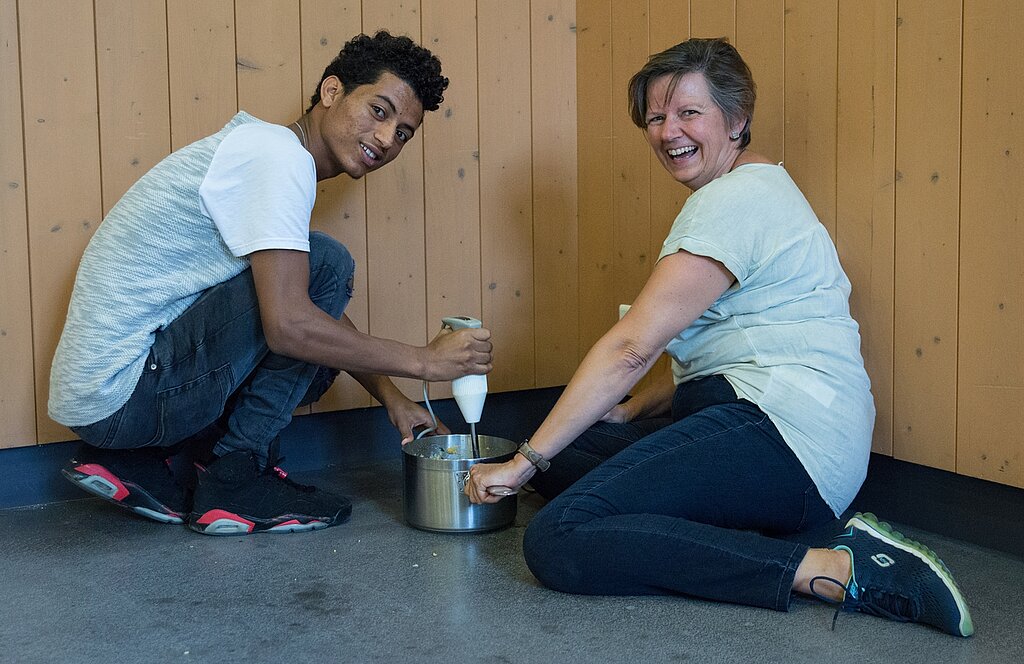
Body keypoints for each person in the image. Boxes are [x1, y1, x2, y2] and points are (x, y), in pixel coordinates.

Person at [465, 38, 973, 637]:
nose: (667, 131)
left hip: (786, 438)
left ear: (736, 120)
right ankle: (756, 534)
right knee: (563, 458)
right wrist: (630, 412)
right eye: (655, 117)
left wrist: (524, 464)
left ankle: (832, 565)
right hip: (763, 425)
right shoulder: (742, 192)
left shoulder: (735, 201)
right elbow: (713, 344)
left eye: (687, 112)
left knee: (559, 539)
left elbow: (633, 346)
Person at [51, 31, 492, 536]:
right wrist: (425, 361)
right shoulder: (278, 159)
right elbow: (290, 327)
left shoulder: (265, 152)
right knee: (326, 267)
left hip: (108, 398)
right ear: (331, 92)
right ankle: (235, 477)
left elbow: (298, 301)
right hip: (125, 398)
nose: (388, 138)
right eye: (379, 110)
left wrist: (391, 396)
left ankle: (158, 461)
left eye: (404, 132)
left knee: (317, 308)